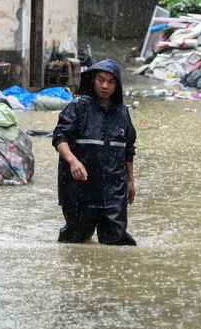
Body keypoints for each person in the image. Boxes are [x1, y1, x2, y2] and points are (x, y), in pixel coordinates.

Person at [52, 59, 137, 245]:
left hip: (114, 190)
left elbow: (128, 149)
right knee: (76, 240)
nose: (105, 86)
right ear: (92, 81)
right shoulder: (77, 107)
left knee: (117, 243)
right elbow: (59, 138)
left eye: (110, 82)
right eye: (101, 80)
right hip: (80, 189)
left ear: (117, 86)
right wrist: (73, 161)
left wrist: (130, 181)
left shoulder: (123, 113)